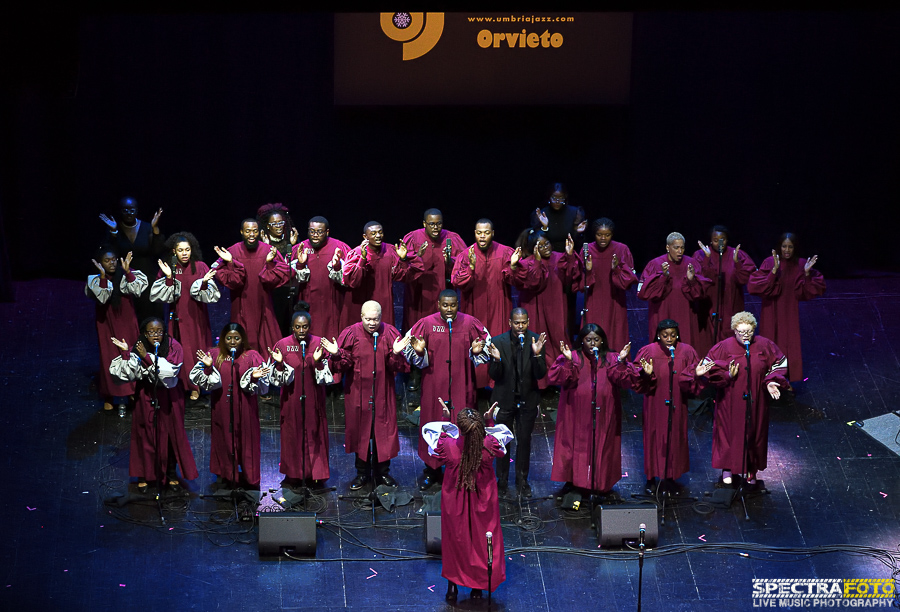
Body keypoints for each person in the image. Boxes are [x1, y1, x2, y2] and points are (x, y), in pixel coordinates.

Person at [422, 405, 512, 602]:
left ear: (460, 429)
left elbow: (437, 443)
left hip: (455, 501)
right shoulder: (489, 446)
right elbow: (497, 442)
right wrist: (489, 421)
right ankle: (477, 587)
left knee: (455, 541)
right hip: (483, 502)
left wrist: (446, 419)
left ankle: (452, 587)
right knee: (481, 543)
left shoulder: (449, 447)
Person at [404, 289, 490, 490]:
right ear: (438, 305)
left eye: (453, 305)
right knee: (434, 425)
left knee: (463, 427)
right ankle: (432, 471)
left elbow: (487, 345)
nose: (449, 309)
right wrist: (420, 352)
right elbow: (407, 349)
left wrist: (475, 352)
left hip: (463, 385)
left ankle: (461, 469)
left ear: (458, 305)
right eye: (445, 305)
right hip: (434, 387)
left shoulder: (470, 323)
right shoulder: (426, 323)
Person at [110, 317, 199, 493]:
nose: (155, 336)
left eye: (159, 331)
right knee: (146, 434)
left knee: (171, 434)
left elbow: (169, 373)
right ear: (144, 333)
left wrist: (146, 358)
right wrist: (126, 354)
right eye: (151, 332)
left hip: (170, 396)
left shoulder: (174, 346)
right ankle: (144, 475)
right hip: (146, 395)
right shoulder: (138, 346)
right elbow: (128, 374)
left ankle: (171, 473)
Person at [699, 311, 788, 485]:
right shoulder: (724, 347)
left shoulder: (764, 345)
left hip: (756, 399)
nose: (745, 335)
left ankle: (751, 470)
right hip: (730, 399)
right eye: (741, 332)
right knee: (729, 434)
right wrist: (727, 374)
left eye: (749, 331)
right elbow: (708, 367)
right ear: (734, 331)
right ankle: (728, 468)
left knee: (754, 432)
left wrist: (771, 381)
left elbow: (780, 363)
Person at [332, 301, 411, 489]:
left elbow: (401, 367)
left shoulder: (390, 333)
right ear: (361, 316)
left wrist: (397, 354)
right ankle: (361, 473)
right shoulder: (351, 333)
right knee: (361, 433)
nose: (372, 323)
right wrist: (337, 355)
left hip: (383, 393)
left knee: (382, 434)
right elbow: (341, 366)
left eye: (375, 319)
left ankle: (382, 473)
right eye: (368, 319)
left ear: (381, 317)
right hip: (358, 394)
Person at [549, 324, 635, 494]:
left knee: (602, 446)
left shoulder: (612, 357)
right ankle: (574, 481)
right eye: (588, 340)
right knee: (574, 447)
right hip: (575, 413)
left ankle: (600, 481)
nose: (592, 343)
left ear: (602, 340)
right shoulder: (572, 356)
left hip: (603, 414)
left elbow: (625, 381)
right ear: (582, 341)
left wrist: (622, 362)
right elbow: (557, 378)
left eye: (596, 339)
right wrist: (568, 361)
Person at [628, 319, 706, 493]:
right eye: (665, 335)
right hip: (655, 402)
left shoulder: (687, 351)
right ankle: (651, 478)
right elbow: (635, 377)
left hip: (677, 403)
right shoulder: (648, 351)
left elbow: (692, 377)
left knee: (674, 437)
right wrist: (645, 374)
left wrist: (696, 375)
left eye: (673, 335)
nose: (669, 339)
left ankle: (670, 476)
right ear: (658, 335)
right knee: (653, 437)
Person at [190, 323, 270, 490]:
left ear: (242, 339)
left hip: (246, 408)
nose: (232, 341)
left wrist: (255, 377)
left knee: (247, 441)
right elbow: (203, 381)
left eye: (236, 338)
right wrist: (208, 367)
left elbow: (264, 386)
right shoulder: (214, 354)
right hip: (222, 408)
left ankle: (249, 476)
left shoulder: (252, 356)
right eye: (229, 338)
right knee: (224, 440)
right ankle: (226, 475)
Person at [268, 309, 334, 487]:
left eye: (305, 327)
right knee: (292, 435)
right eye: (298, 327)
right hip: (291, 399)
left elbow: (327, 377)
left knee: (315, 435)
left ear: (309, 327)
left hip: (314, 398)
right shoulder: (282, 345)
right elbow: (275, 379)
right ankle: (294, 474)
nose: (302, 330)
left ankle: (316, 473)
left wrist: (318, 361)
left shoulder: (319, 343)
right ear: (292, 327)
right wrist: (280, 363)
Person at [150, 232, 219, 400]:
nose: (185, 253)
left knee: (197, 349)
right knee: (182, 351)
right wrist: (168, 277)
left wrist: (204, 282)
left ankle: (197, 386)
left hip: (197, 317)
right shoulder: (169, 267)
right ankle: (182, 385)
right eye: (181, 250)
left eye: (187, 249)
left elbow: (210, 293)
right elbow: (162, 295)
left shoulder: (200, 266)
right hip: (177, 317)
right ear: (174, 251)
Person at [748, 233, 825, 382]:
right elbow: (755, 286)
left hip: (789, 313)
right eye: (784, 246)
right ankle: (769, 379)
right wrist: (774, 271)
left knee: (788, 345)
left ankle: (785, 380)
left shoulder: (801, 264)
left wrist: (807, 274)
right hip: (771, 311)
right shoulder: (770, 262)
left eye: (790, 246)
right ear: (779, 247)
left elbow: (813, 289)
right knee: (770, 341)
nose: (787, 250)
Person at [487, 308, 547, 496]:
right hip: (504, 400)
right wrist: (496, 361)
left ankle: (522, 481)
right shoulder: (498, 342)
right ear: (509, 323)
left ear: (528, 322)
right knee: (503, 441)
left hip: (527, 400)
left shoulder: (535, 341)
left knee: (524, 440)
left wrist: (537, 354)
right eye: (516, 323)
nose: (520, 326)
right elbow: (494, 376)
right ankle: (502, 481)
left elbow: (540, 374)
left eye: (523, 323)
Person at [450, 218, 514, 387]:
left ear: (492, 233)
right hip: (474, 306)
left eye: (486, 233)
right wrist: (471, 268)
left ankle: (498, 383)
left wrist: (513, 267)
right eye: (479, 233)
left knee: (498, 342)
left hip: (499, 304)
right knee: (476, 342)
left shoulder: (505, 252)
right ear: (475, 234)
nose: (482, 237)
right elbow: (456, 281)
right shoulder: (465, 255)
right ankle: (475, 384)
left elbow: (517, 280)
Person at [213, 219, 292, 353]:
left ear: (259, 232)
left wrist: (269, 263)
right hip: (240, 305)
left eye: (255, 231)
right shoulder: (232, 251)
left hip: (263, 304)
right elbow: (222, 276)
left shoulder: (268, 250)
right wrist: (231, 262)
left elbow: (284, 273)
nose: (251, 234)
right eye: (248, 231)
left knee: (268, 344)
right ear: (242, 232)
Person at [510, 229, 579, 375]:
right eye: (540, 246)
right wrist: (537, 262)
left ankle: (561, 375)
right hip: (534, 307)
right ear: (533, 248)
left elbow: (570, 279)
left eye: (547, 243)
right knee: (538, 340)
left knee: (558, 338)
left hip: (556, 305)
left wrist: (570, 256)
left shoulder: (560, 258)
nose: (545, 247)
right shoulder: (526, 264)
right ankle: (540, 381)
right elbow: (533, 283)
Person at [86, 248, 146, 414]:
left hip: (126, 320)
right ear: (99, 263)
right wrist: (104, 278)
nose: (112, 263)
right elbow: (103, 298)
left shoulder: (126, 272)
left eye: (113, 259)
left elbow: (138, 290)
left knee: (130, 354)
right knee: (109, 356)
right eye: (107, 260)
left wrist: (128, 272)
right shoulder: (94, 280)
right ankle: (110, 395)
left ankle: (132, 392)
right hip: (107, 323)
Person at [342, 220, 424, 328]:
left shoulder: (390, 251)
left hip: (384, 303)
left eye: (380, 232)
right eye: (373, 233)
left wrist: (403, 259)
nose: (378, 236)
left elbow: (404, 276)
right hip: (360, 303)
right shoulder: (356, 253)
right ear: (365, 236)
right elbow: (352, 281)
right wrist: (362, 259)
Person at [691, 225, 757, 356]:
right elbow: (699, 279)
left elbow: (746, 280)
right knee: (709, 338)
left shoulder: (737, 254)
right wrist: (707, 259)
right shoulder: (700, 255)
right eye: (716, 240)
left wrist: (737, 262)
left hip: (731, 306)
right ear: (710, 240)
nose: (719, 243)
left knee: (730, 338)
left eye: (723, 239)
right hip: (709, 306)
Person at [637, 232, 711, 348]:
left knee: (684, 345)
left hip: (686, 315)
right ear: (668, 247)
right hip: (662, 312)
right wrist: (663, 277)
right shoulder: (654, 264)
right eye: (676, 248)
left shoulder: (691, 263)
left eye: (682, 248)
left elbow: (700, 294)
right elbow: (643, 293)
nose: (680, 251)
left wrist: (691, 280)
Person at [99, 197, 165, 322]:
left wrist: (155, 229)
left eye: (132, 210)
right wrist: (113, 232)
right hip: (125, 278)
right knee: (131, 316)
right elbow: (111, 254)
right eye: (125, 210)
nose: (129, 213)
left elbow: (157, 251)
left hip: (147, 276)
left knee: (151, 314)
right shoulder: (115, 229)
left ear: (137, 210)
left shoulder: (146, 227)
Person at [402, 208, 467, 332]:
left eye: (439, 224)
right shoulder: (413, 238)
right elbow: (403, 267)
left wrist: (449, 261)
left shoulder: (452, 238)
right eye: (432, 224)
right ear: (424, 224)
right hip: (419, 293)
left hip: (443, 290)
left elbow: (463, 264)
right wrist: (418, 256)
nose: (436, 227)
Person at [580, 218, 638, 352]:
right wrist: (588, 271)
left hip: (615, 299)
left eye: (607, 235)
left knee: (615, 334)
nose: (603, 238)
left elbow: (629, 279)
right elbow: (579, 281)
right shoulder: (587, 250)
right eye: (599, 234)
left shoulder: (621, 249)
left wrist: (616, 269)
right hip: (593, 299)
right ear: (594, 234)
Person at [290, 216, 351, 343]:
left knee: (333, 335)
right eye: (312, 231)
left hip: (333, 301)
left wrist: (337, 266)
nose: (315, 235)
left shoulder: (339, 247)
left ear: (327, 232)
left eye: (319, 232)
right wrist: (300, 264)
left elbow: (349, 277)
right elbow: (289, 279)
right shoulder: (300, 248)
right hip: (307, 301)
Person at [257, 203, 300, 337]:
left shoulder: (291, 241)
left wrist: (293, 246)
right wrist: (267, 246)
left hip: (290, 291)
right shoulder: (262, 244)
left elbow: (293, 267)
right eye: (274, 224)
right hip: (273, 293)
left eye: (280, 222)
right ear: (267, 226)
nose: (278, 226)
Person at [530, 182, 587, 253]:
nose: (557, 201)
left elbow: (579, 243)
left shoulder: (575, 213)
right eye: (554, 198)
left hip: (569, 255)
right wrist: (544, 227)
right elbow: (536, 242)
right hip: (548, 256)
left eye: (561, 198)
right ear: (549, 197)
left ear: (565, 198)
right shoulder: (542, 215)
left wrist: (578, 233)